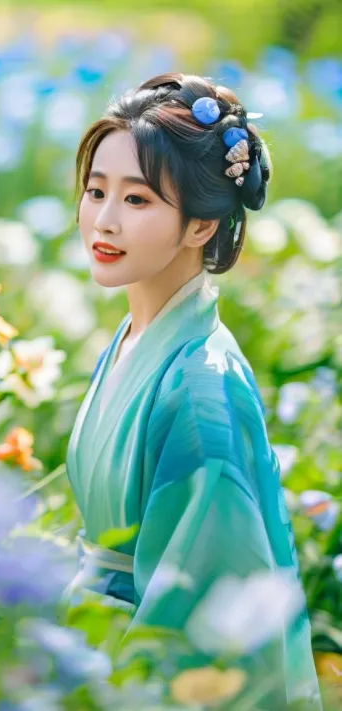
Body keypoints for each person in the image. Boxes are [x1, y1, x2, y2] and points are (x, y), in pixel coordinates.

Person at [63, 73, 321, 709]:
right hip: (89, 650)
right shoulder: (137, 338)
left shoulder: (201, 388)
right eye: (96, 191)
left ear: (202, 226)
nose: (103, 219)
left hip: (135, 671)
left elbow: (204, 605)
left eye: (138, 201)